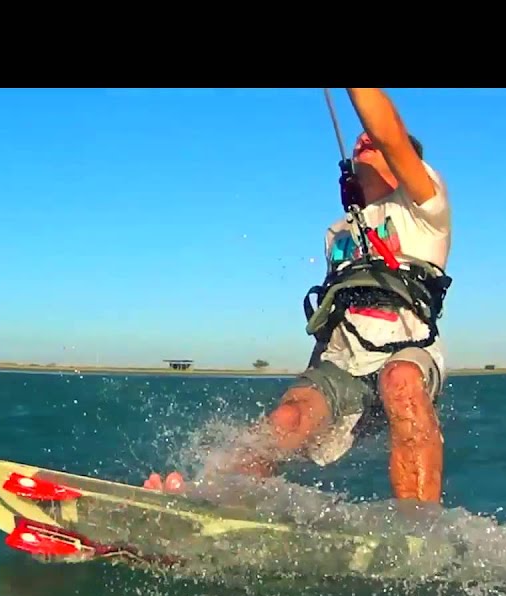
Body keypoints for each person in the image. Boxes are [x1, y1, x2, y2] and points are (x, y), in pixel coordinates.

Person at [146, 87, 453, 507]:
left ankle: (421, 526)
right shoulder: (339, 233)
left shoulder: (425, 205)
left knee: (399, 382)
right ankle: (217, 501)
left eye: (374, 143)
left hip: (408, 352)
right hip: (343, 361)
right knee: (289, 417)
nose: (363, 140)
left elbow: (388, 129)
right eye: (360, 140)